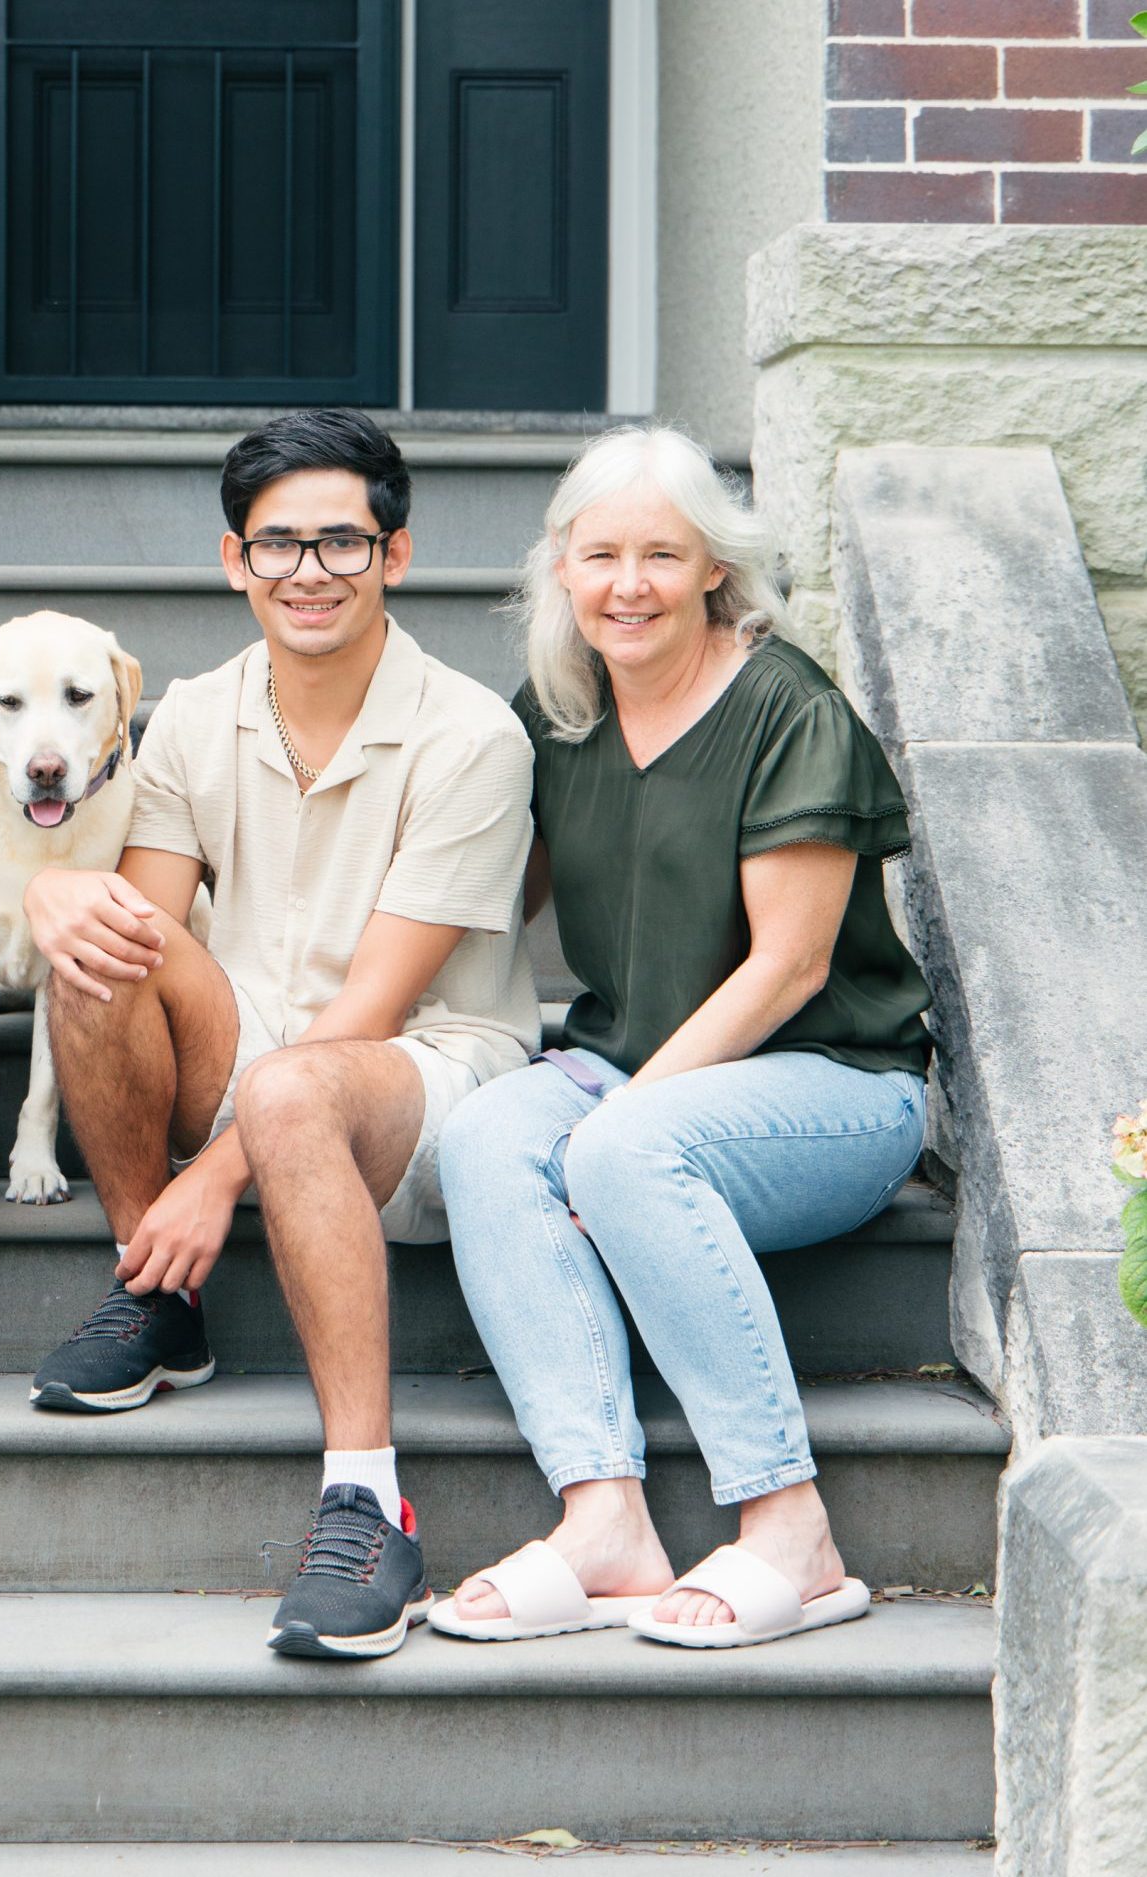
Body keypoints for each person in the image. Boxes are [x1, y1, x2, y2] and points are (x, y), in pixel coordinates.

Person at [20, 408, 540, 1658]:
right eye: (279, 545)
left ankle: (369, 1502)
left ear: (394, 557)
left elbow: (372, 1003)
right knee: (96, 944)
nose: (309, 572)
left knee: (301, 1086)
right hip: (250, 1043)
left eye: (341, 544)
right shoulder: (197, 715)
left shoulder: (473, 735)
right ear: (233, 560)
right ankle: (159, 1302)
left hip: (420, 1073)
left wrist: (213, 1178)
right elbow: (142, 924)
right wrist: (52, 888)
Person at [432, 427, 932, 1651]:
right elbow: (489, 900)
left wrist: (620, 1111)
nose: (629, 583)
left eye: (664, 553)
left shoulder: (784, 705)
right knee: (489, 1130)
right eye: (600, 554)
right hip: (629, 1070)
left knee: (620, 1149)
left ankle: (792, 1530)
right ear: (562, 566)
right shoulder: (556, 712)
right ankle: (604, 1516)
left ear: (717, 565)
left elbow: (792, 963)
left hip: (836, 1081)